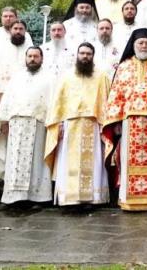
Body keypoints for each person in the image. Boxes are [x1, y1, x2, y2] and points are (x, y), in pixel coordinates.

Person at [102, 29, 147, 211]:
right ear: (134, 45)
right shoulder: (124, 66)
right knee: (127, 161)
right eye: (140, 43)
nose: (144, 46)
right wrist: (115, 121)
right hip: (128, 122)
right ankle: (127, 199)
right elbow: (116, 94)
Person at [45, 43, 111, 208]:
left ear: (93, 56)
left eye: (88, 54)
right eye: (82, 53)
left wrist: (104, 124)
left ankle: (93, 198)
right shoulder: (67, 76)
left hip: (93, 124)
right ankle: (70, 197)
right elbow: (58, 102)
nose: (85, 56)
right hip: (71, 125)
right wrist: (59, 123)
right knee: (68, 161)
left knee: (94, 162)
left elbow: (106, 100)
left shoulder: (101, 76)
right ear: (77, 54)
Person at [0, 46, 53, 206]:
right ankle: (14, 197)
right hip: (17, 125)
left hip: (38, 124)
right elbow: (7, 100)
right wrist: (4, 121)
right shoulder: (17, 77)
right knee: (15, 161)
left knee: (37, 162)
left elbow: (53, 101)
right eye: (30, 56)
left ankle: (37, 196)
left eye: (36, 56)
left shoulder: (49, 77)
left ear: (42, 58)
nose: (32, 59)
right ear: (25, 58)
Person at [0, 20, 31, 103]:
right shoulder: (1, 46)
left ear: (25, 31)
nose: (18, 31)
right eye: (15, 28)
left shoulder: (29, 45)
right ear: (10, 30)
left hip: (24, 86)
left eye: (21, 29)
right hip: (4, 87)